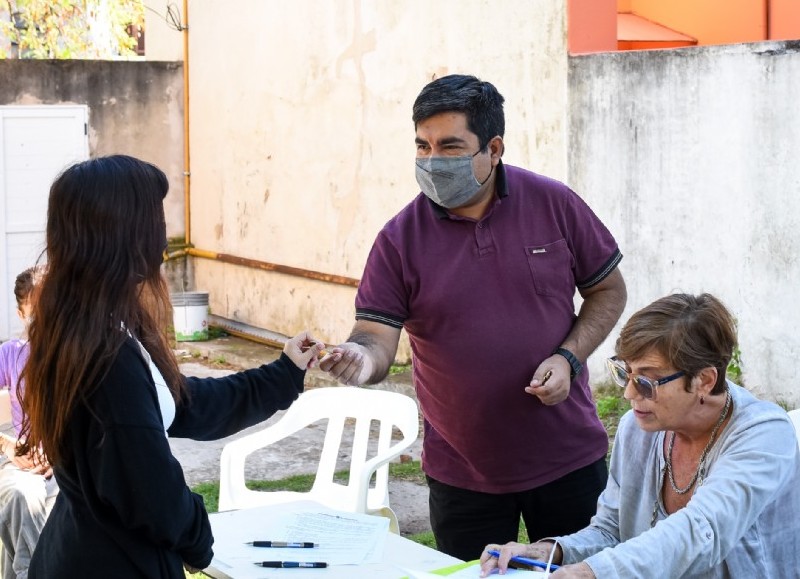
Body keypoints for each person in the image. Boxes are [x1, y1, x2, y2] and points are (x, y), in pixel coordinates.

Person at [320, 74, 627, 560]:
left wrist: (569, 357)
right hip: (463, 473)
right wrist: (358, 359)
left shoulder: (554, 203)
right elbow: (375, 338)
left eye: (450, 146)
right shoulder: (400, 238)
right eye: (422, 146)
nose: (432, 161)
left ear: (494, 148)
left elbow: (607, 290)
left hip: (568, 457)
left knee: (587, 572)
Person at [18, 155, 326, 578]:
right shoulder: (107, 356)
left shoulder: (86, 327)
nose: (164, 236)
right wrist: (197, 537)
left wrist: (285, 371)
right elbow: (150, 491)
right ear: (122, 232)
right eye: (156, 218)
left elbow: (182, 402)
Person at [480, 293, 800, 578]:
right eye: (625, 374)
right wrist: (550, 552)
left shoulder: (763, 434)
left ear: (704, 380)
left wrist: (594, 572)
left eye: (647, 381)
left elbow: (703, 531)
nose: (630, 393)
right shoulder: (639, 428)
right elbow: (611, 530)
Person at [0, 267, 58, 579]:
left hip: (70, 463)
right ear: (22, 313)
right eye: (37, 310)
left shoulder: (77, 353)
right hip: (22, 463)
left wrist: (59, 454)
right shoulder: (10, 353)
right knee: (21, 496)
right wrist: (8, 447)